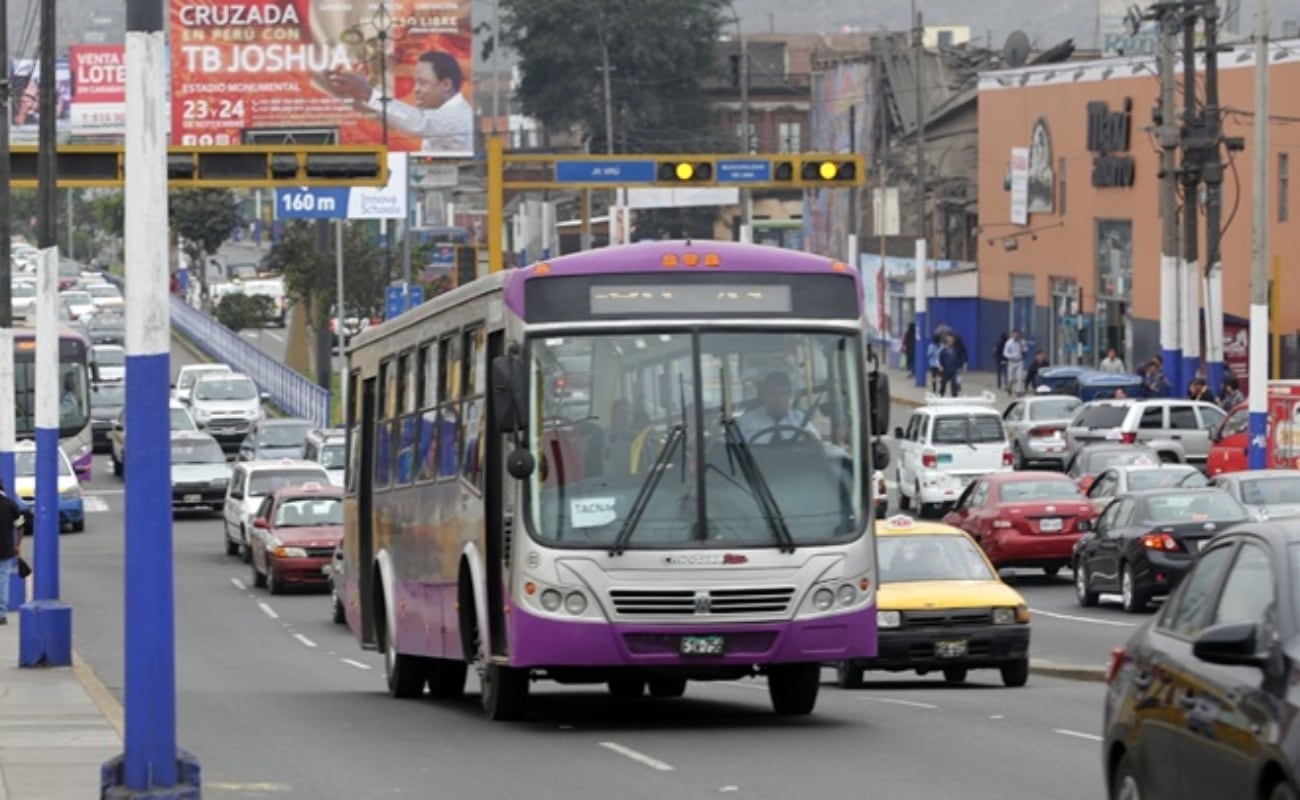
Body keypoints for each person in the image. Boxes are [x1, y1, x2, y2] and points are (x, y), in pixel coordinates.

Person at [327, 51, 473, 154]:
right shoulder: (443, 113)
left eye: (423, 83)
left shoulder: (458, 117)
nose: (415, 90)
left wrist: (368, 94)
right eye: (416, 83)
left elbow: (418, 122)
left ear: (446, 84)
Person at [737, 371, 819, 443]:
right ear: (765, 396)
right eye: (773, 394)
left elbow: (818, 446)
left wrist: (811, 441)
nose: (779, 399)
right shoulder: (747, 421)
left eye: (784, 394)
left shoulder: (800, 420)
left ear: (789, 397)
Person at [0, 478, 25, 626]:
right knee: (2, 581)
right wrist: (17, 545)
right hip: (5, 549)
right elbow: (20, 527)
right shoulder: (10, 504)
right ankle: (1, 614)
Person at [1003, 330, 1027, 396]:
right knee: (1010, 377)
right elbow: (1005, 352)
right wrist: (1010, 356)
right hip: (1011, 361)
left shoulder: (1022, 342)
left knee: (1019, 377)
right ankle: (1009, 387)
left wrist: (1023, 350)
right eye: (1014, 335)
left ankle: (1018, 391)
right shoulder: (1009, 343)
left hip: (1019, 361)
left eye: (1017, 335)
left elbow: (1026, 349)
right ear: (1012, 335)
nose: (1016, 336)